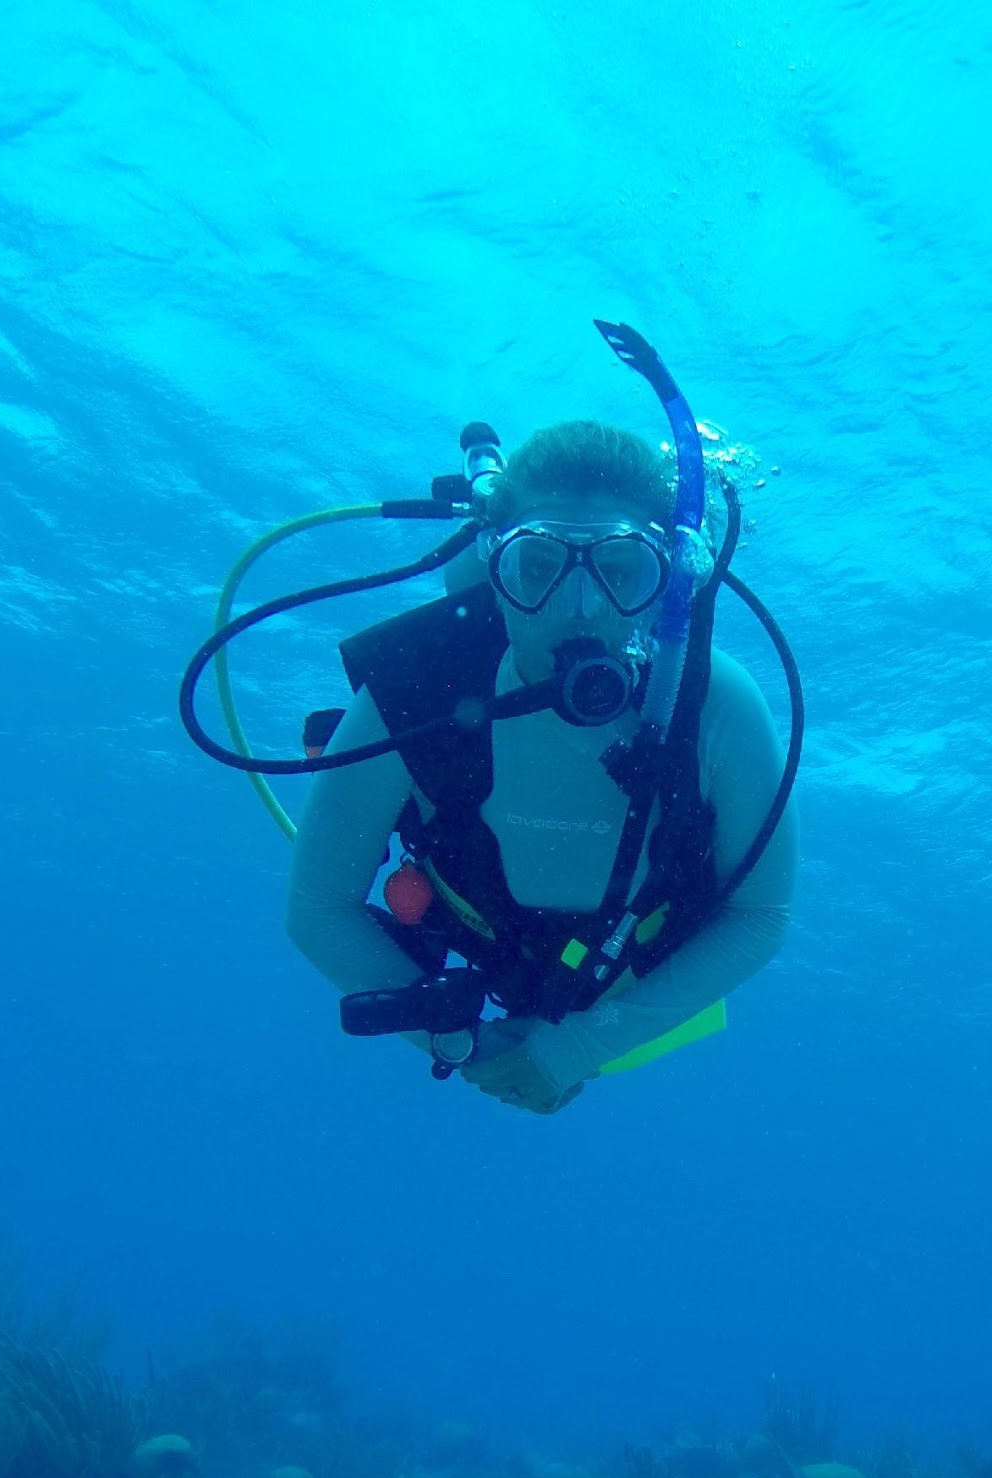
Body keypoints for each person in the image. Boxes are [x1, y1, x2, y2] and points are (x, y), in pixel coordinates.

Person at [283, 419, 797, 1114]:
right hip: (479, 933)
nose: (577, 609)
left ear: (667, 586)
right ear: (496, 569)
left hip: (632, 970)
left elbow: (760, 914)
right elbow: (318, 908)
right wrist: (456, 1039)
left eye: (622, 572)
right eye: (538, 566)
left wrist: (578, 1047)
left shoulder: (716, 705)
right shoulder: (415, 687)